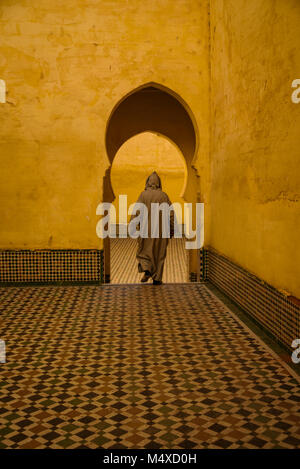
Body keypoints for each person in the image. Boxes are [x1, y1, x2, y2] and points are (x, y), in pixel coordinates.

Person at [130, 171, 174, 285]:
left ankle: (147, 269)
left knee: (144, 251)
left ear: (148, 182)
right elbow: (171, 214)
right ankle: (157, 278)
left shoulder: (143, 195)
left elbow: (137, 211)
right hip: (161, 231)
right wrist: (172, 230)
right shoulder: (164, 196)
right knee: (159, 254)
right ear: (159, 183)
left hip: (146, 230)